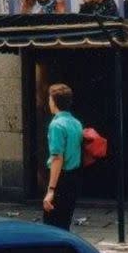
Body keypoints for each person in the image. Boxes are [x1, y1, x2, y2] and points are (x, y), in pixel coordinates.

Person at [43, 83, 83, 231]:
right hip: (73, 177)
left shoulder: (56, 125)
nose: (48, 102)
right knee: (64, 223)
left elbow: (57, 158)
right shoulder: (76, 123)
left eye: (49, 99)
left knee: (51, 225)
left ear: (54, 101)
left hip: (60, 178)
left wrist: (51, 190)